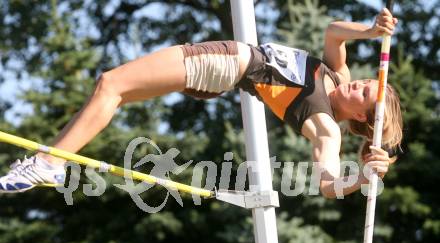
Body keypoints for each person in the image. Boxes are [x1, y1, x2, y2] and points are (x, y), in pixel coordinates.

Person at [0, 8, 401, 199]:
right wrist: (370, 30)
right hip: (228, 64)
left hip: (226, 62)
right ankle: (50, 162)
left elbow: (328, 185)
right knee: (113, 90)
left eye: (366, 93)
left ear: (363, 116)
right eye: (368, 81)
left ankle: (49, 164)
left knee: (110, 83)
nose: (361, 84)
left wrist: (362, 178)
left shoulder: (327, 126)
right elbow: (334, 33)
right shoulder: (338, 76)